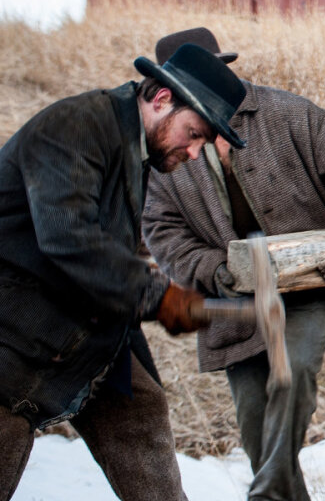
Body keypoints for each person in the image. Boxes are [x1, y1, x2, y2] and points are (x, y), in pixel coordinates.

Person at [141, 28, 325, 501]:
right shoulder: (164, 151)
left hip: (311, 286)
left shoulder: (287, 113)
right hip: (232, 304)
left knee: (292, 375)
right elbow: (163, 233)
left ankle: (264, 494)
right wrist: (214, 271)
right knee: (254, 423)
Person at [0, 43, 248, 501]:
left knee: (139, 409)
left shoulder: (137, 149)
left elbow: (110, 254)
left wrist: (138, 346)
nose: (195, 152)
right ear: (161, 100)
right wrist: (160, 297)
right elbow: (69, 239)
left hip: (86, 334)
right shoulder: (74, 127)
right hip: (14, 340)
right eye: (193, 134)